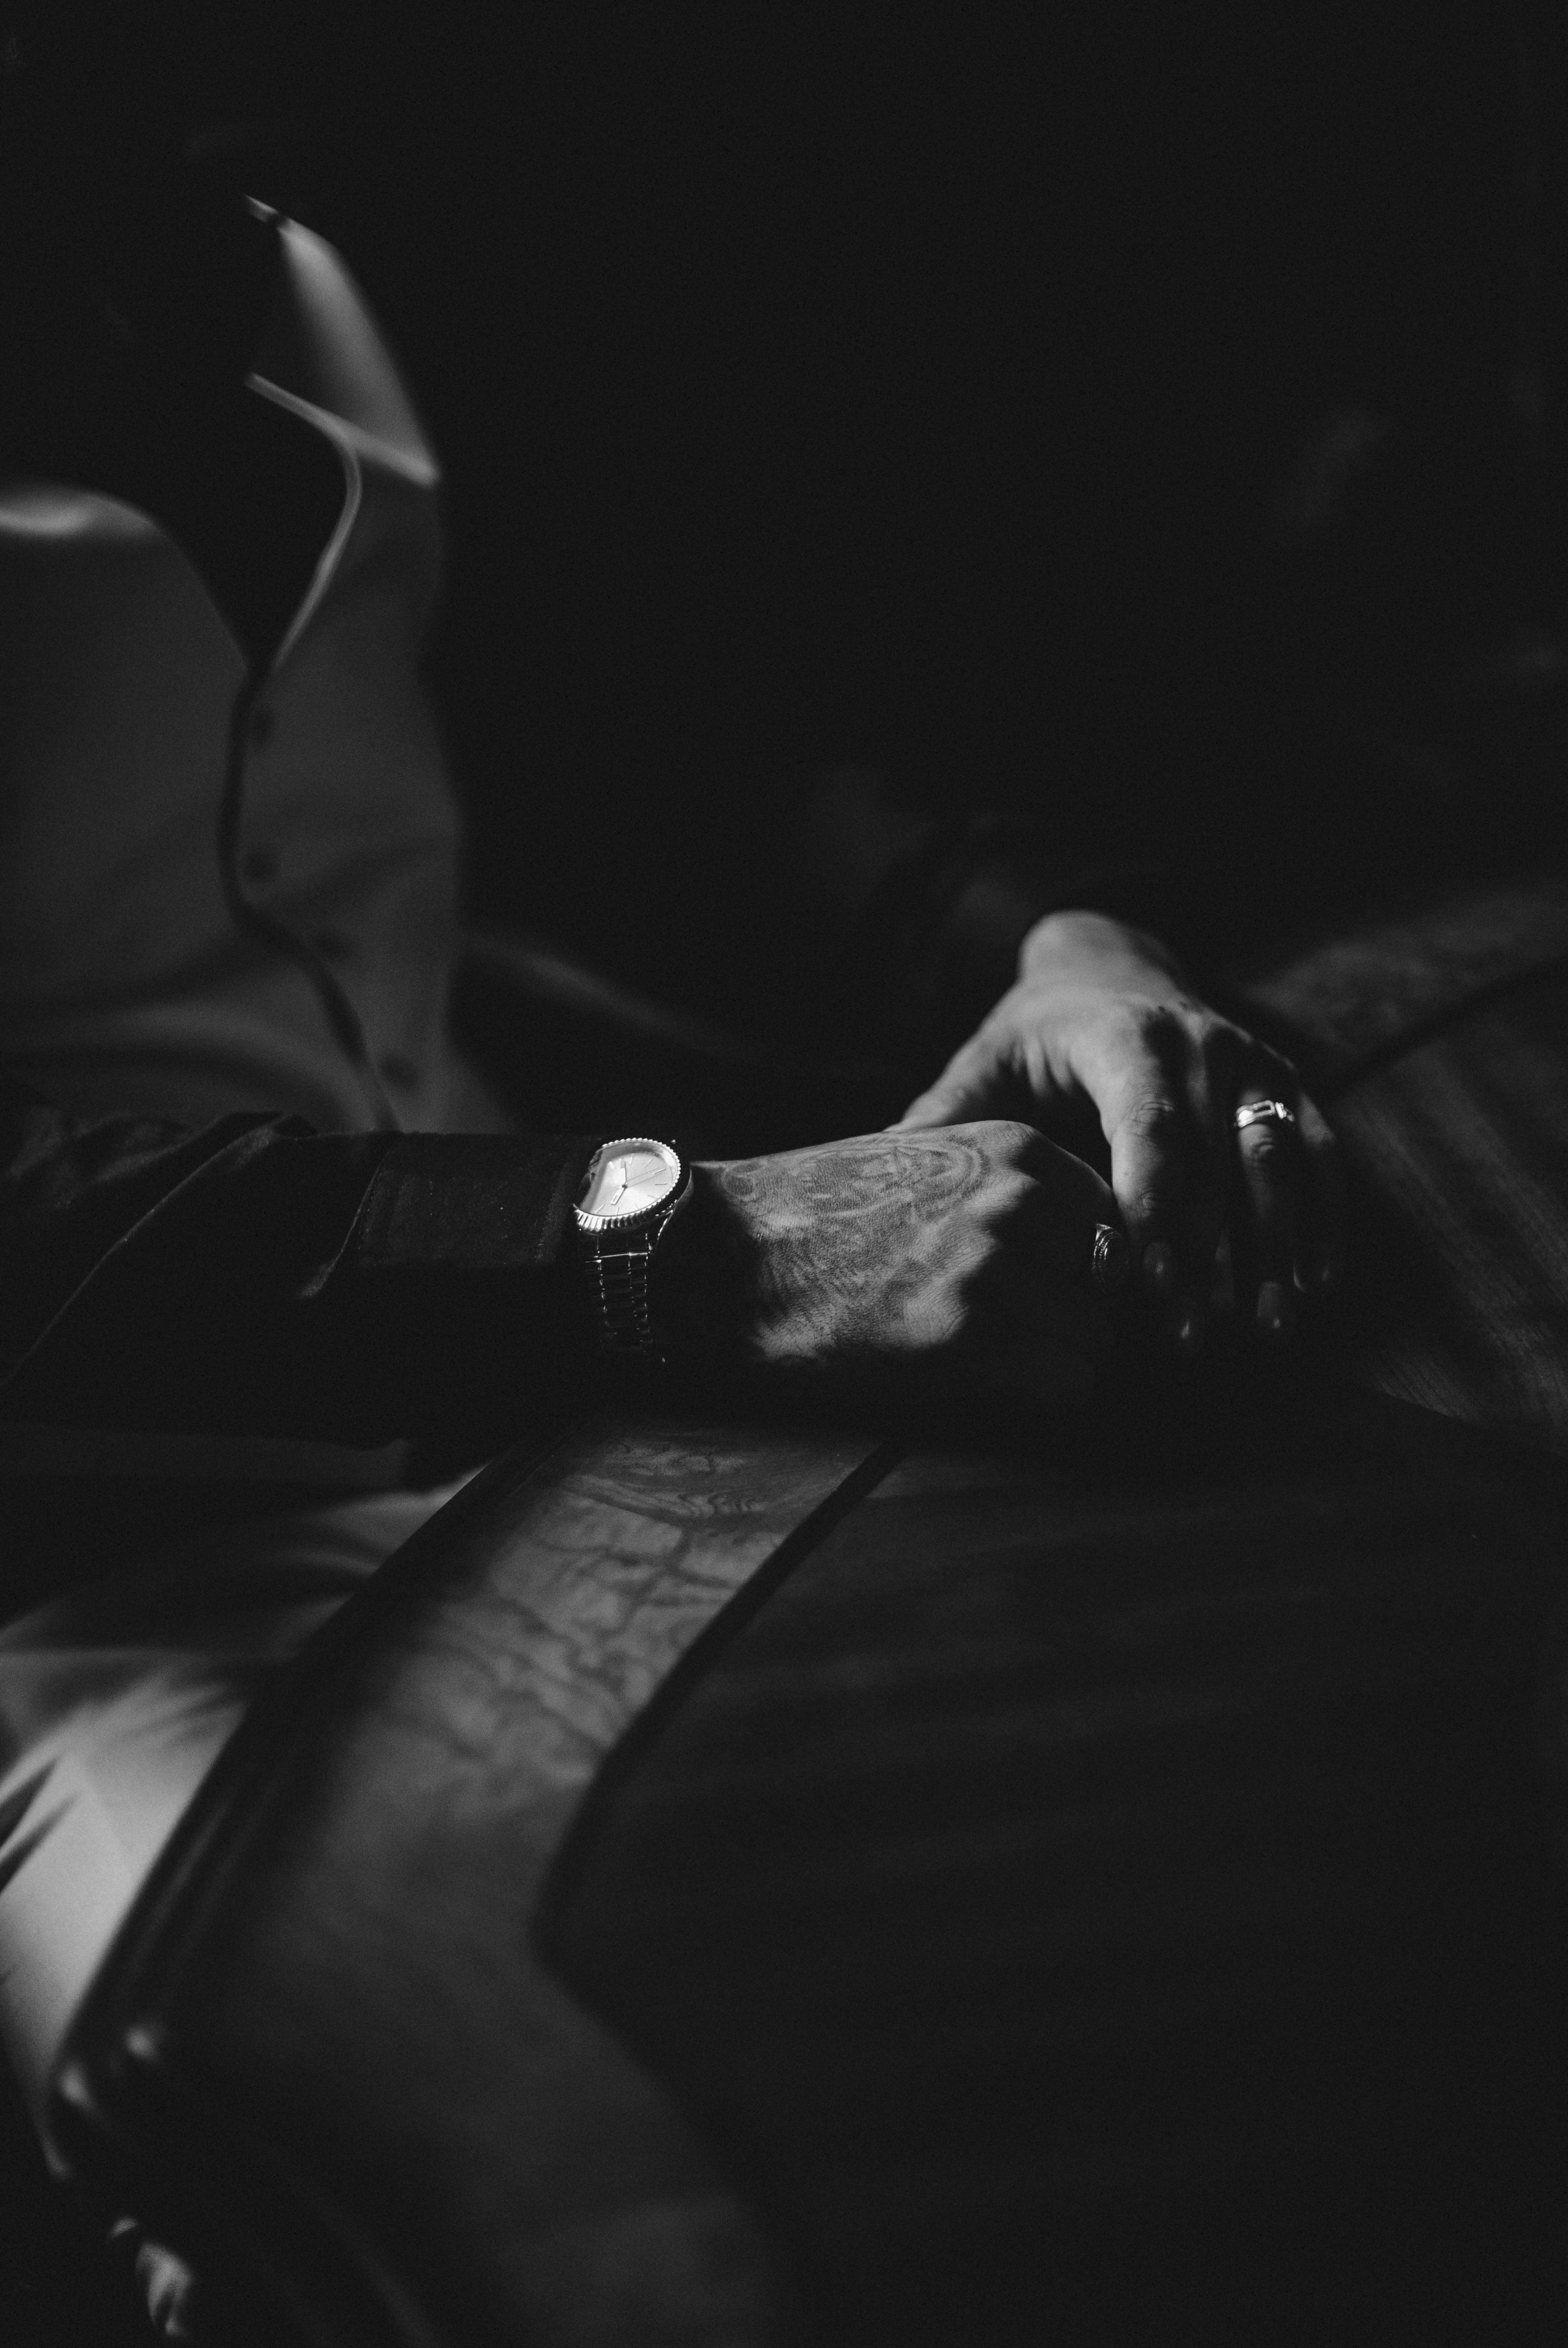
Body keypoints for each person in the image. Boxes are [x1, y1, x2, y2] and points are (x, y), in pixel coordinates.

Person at [0, 3, 1339, 2324]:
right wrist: (677, 1247)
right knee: (438, 2205)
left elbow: (617, 736)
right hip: (100, 1583)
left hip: (581, 1417)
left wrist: (1034, 934)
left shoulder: (287, 243)